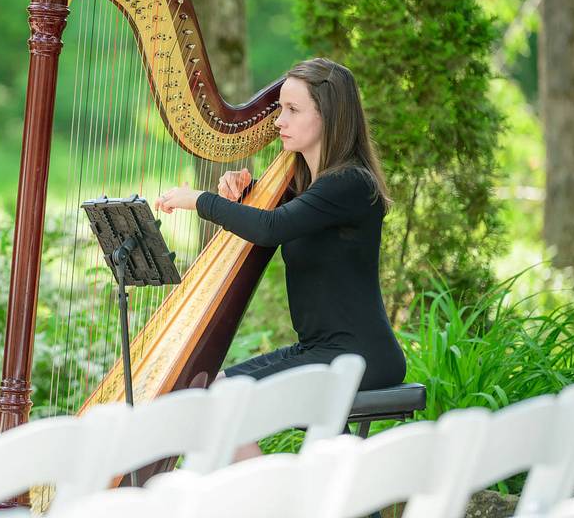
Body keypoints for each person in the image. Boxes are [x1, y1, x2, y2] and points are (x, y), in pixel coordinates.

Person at [154, 57, 406, 461]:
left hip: (359, 356)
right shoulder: (310, 185)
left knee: (214, 400)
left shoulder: (350, 183)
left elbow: (269, 228)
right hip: (319, 350)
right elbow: (272, 217)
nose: (278, 122)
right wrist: (246, 190)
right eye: (279, 110)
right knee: (208, 393)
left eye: (292, 110)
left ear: (328, 115)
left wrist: (201, 200)